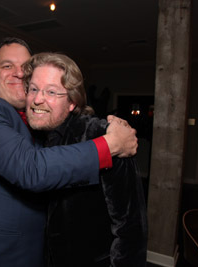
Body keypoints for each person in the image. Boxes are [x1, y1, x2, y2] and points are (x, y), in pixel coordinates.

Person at [0, 37, 138, 267]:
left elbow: (126, 225)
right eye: (7, 66)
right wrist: (110, 145)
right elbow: (31, 169)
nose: (19, 73)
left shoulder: (41, 125)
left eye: (24, 67)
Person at [23, 52, 148, 267]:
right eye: (33, 89)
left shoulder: (105, 137)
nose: (37, 99)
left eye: (51, 92)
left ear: (72, 102)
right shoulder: (34, 136)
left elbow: (130, 229)